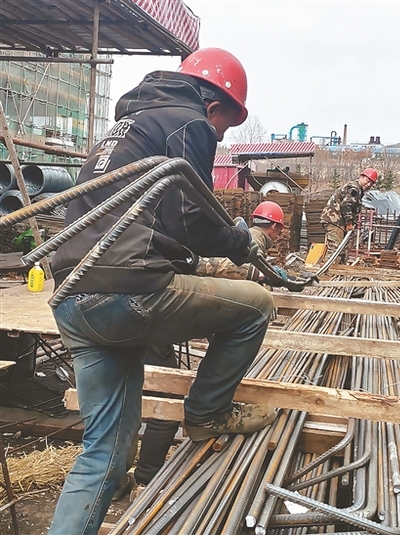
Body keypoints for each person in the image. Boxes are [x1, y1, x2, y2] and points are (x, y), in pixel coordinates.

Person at [47, 48, 278, 535]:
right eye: (224, 126)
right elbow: (195, 217)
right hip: (126, 289)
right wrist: (242, 243)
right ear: (214, 106)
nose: (218, 135)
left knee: (104, 456)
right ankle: (207, 414)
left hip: (73, 299)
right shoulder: (188, 121)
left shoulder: (126, 128)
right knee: (256, 307)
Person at [114, 201, 289, 499]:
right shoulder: (181, 214)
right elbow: (198, 262)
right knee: (164, 399)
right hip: (146, 303)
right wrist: (258, 276)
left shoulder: (132, 213)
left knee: (120, 396)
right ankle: (146, 477)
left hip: (107, 302)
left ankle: (114, 483)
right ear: (275, 227)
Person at [319, 167, 378, 263]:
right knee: (336, 249)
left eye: (371, 183)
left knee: (343, 249)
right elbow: (346, 205)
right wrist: (349, 222)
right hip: (334, 220)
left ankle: (338, 271)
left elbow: (352, 207)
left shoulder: (358, 190)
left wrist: (353, 220)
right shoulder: (354, 189)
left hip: (338, 221)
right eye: (367, 181)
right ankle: (328, 272)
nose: (368, 185)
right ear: (361, 177)